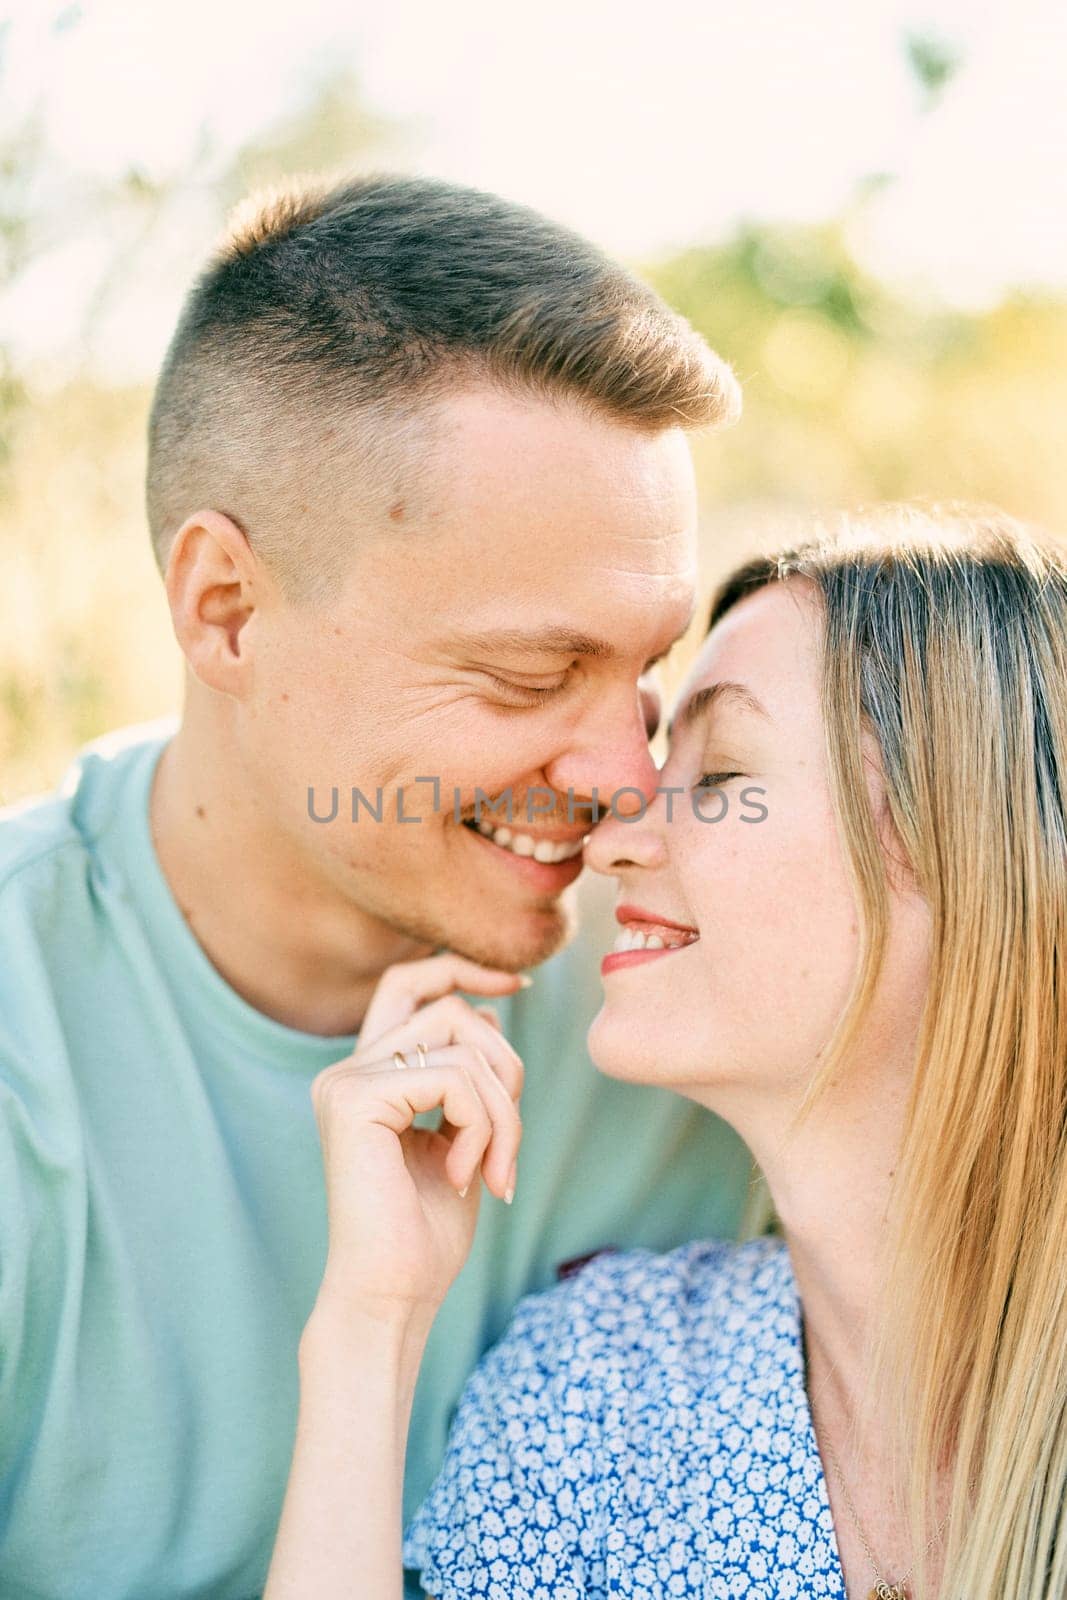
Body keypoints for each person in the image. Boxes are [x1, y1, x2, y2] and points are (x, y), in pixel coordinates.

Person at [0, 175, 762, 1600]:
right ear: (225, 608)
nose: (623, 778)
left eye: (645, 670)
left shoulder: (698, 985)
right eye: (531, 675)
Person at [262, 506, 1067, 1600]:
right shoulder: (595, 1387)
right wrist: (372, 1321)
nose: (612, 834)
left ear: (971, 851)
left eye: (722, 771)